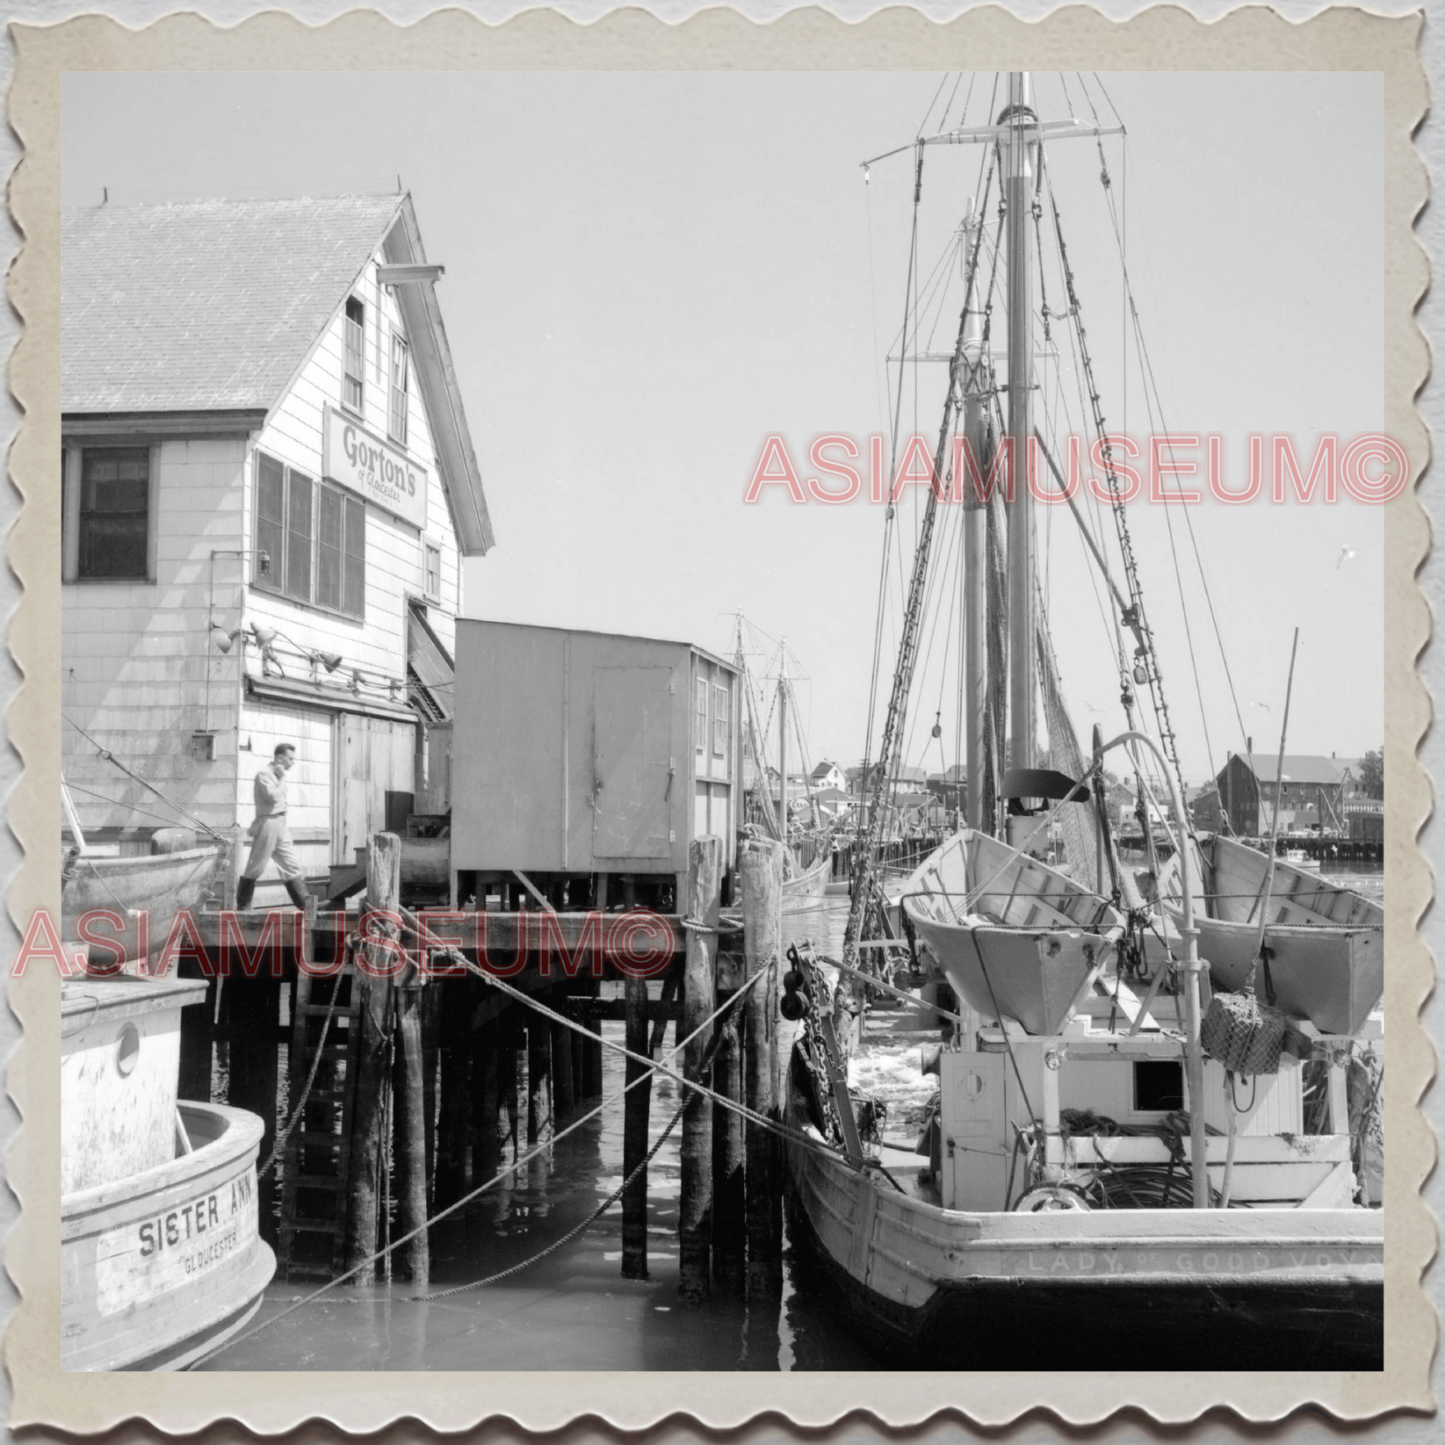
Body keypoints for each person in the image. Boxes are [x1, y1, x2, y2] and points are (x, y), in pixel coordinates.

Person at [235, 742, 311, 911]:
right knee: (256, 866)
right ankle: (243, 905)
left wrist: (281, 777)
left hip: (281, 823)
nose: (292, 763)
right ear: (279, 757)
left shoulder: (276, 775)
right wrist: (282, 778)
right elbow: (273, 797)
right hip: (268, 822)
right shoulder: (264, 774)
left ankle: (305, 904)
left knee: (290, 863)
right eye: (290, 759)